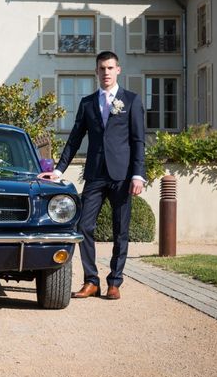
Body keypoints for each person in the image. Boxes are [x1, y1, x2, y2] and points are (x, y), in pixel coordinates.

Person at [38, 51, 145, 300]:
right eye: (101, 68)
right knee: (83, 225)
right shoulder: (87, 103)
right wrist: (58, 170)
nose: (106, 72)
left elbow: (139, 140)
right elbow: (75, 138)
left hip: (122, 176)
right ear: (96, 72)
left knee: (121, 231)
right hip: (95, 174)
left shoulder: (131, 100)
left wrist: (138, 175)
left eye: (110, 68)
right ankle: (91, 281)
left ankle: (115, 282)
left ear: (118, 70)